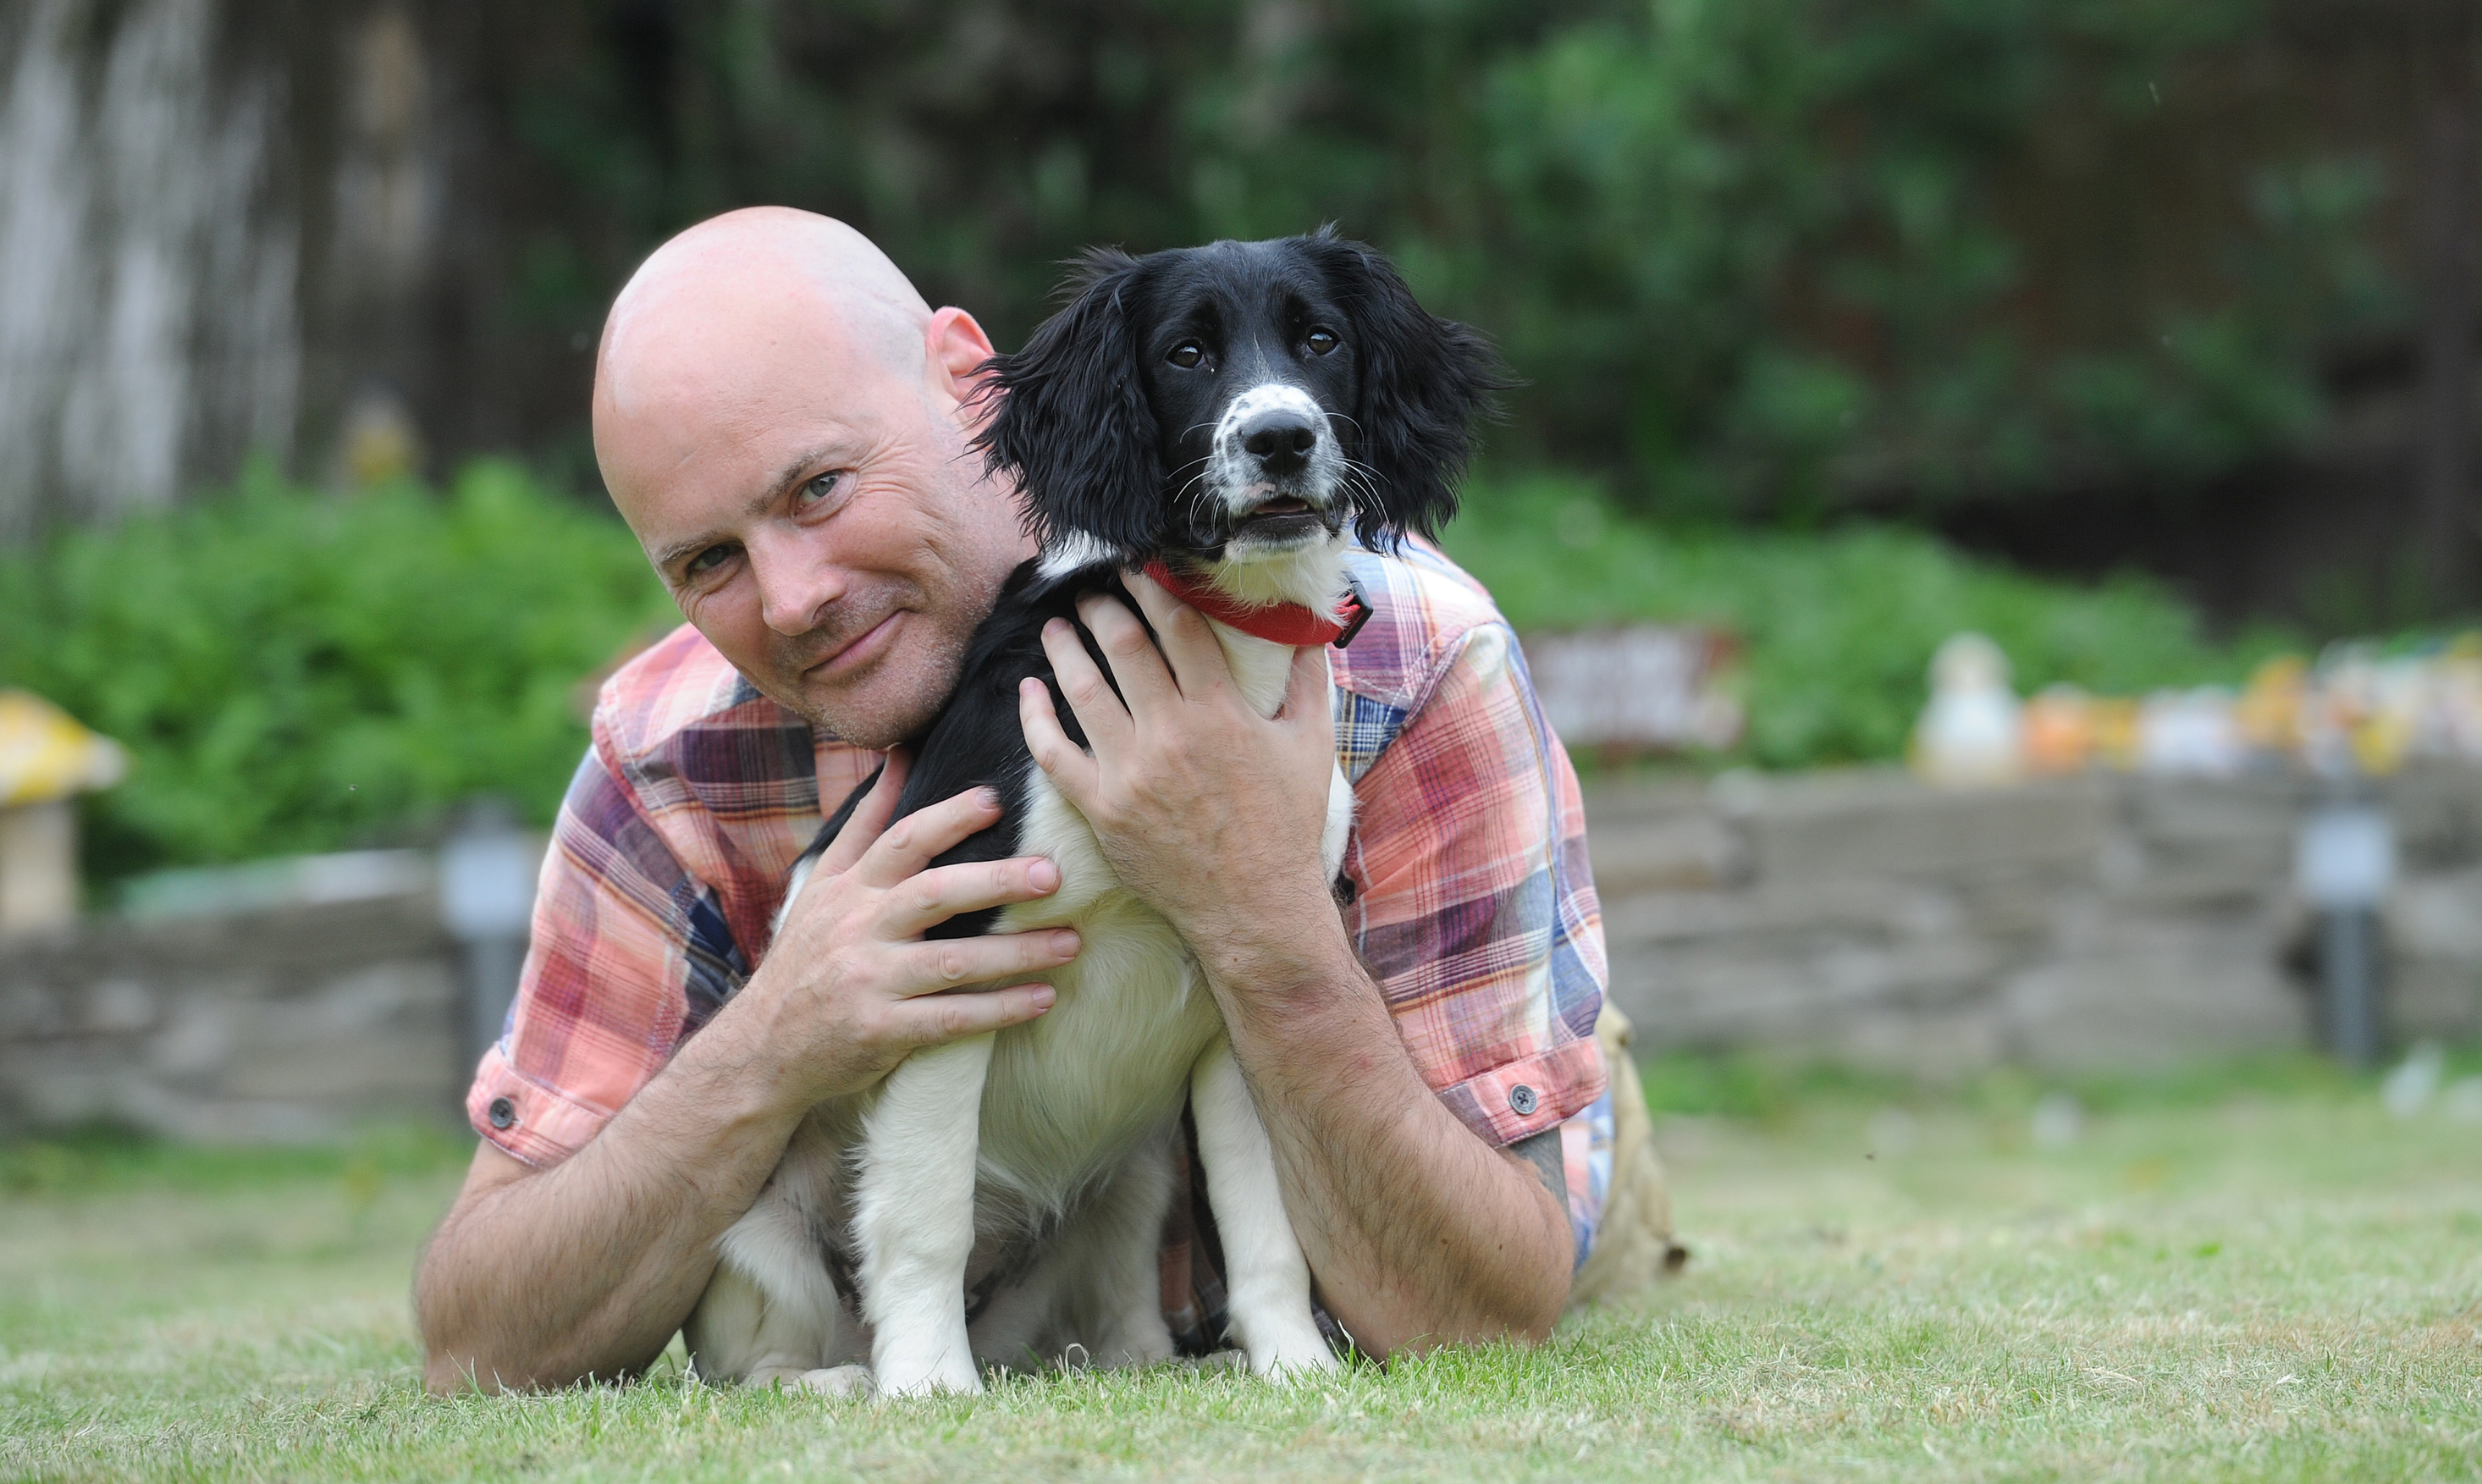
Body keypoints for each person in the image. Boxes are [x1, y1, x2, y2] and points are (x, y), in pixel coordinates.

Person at [413, 207, 1667, 1391]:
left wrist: (1263, 919)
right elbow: (479, 1350)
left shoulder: (1411, 662)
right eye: (707, 562)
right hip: (959, 1284)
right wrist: (776, 1036)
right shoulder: (669, 753)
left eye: (819, 488)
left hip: (1452, 1157)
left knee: (1558, 1156)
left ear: (967, 383)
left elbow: (1486, 1323)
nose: (794, 600)